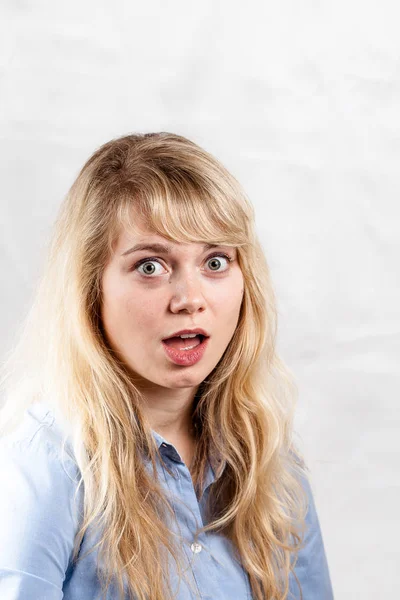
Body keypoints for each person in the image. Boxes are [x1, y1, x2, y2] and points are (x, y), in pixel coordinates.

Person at [0, 132, 334, 600]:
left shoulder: (271, 462)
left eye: (215, 261)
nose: (190, 300)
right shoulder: (48, 466)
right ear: (90, 288)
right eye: (151, 267)